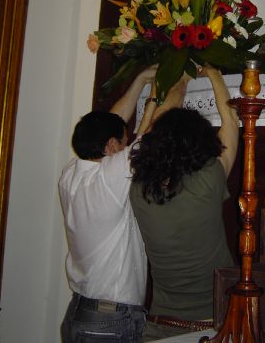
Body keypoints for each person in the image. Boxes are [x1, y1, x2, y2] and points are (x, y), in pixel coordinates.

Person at [129, 66, 240, 340]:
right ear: (201, 142)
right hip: (214, 323)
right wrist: (214, 75)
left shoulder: (138, 188)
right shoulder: (209, 178)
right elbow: (231, 124)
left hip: (159, 324)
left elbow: (144, 136)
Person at [59, 66, 159, 343]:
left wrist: (141, 79)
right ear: (112, 147)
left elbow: (113, 121)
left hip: (80, 313)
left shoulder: (71, 173)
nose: (127, 146)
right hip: (110, 321)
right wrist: (171, 85)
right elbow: (152, 132)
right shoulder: (109, 177)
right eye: (122, 142)